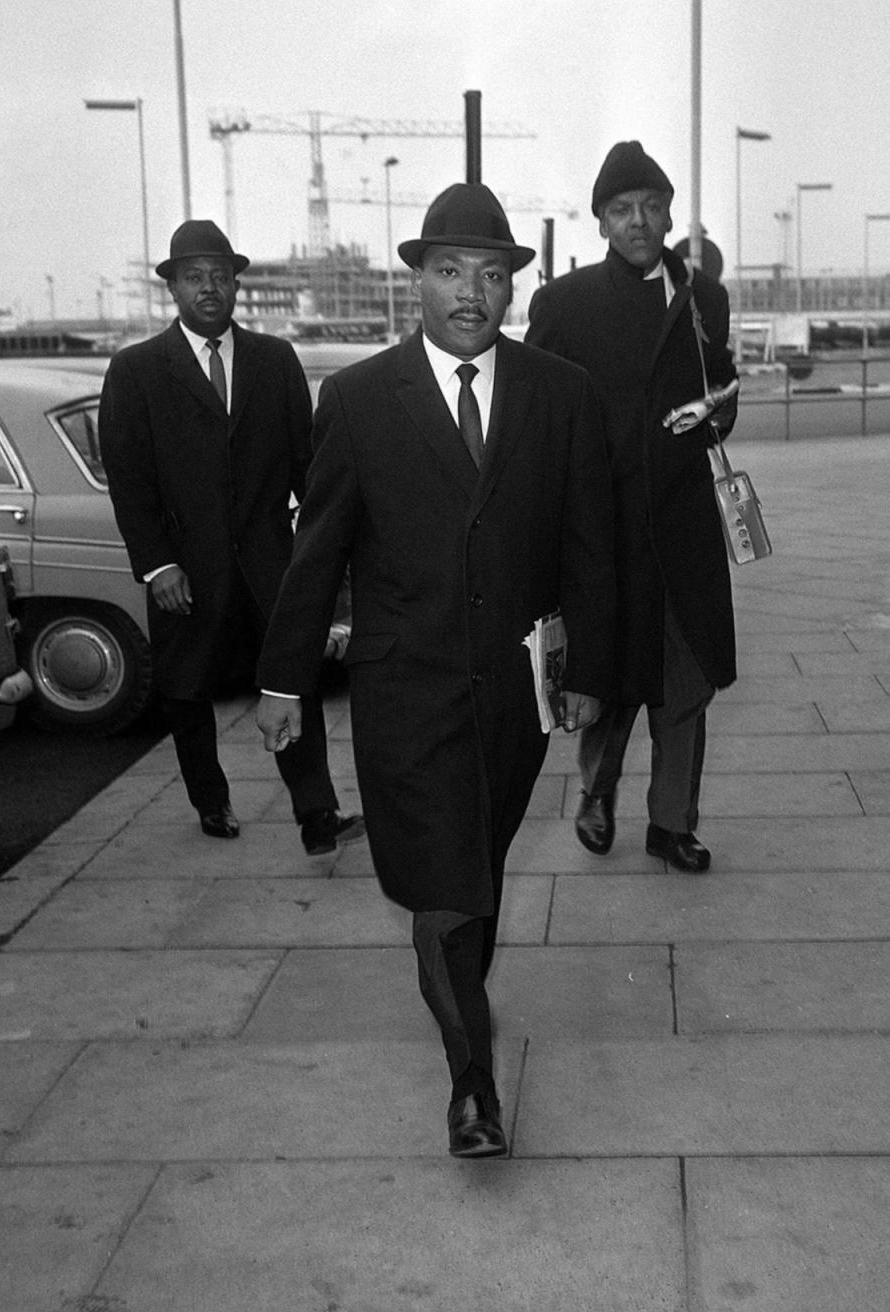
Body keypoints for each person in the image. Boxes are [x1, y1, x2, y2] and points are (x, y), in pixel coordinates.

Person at [255, 184, 615, 1157]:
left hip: (515, 696)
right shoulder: (363, 399)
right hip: (403, 690)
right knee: (444, 878)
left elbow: (590, 548)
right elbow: (319, 549)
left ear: (512, 290)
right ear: (417, 279)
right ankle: (472, 1084)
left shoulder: (560, 394)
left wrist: (594, 672)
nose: (473, 291)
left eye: (492, 274)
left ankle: (464, 1025)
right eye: (452, 271)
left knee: (477, 873)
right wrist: (284, 678)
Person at [99, 219, 363, 854]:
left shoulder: (275, 361)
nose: (209, 289)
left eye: (220, 276)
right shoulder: (135, 371)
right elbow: (129, 481)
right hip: (184, 569)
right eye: (195, 278)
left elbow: (309, 464)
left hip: (270, 561)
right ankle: (210, 801)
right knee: (186, 689)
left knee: (292, 678)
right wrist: (157, 566)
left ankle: (316, 813)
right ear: (173, 289)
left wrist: (325, 551)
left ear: (237, 284)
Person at [526, 140, 738, 874]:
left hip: (683, 527)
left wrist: (711, 418)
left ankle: (672, 824)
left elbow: (727, 385)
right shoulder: (565, 303)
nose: (639, 221)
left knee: (687, 682)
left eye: (651, 206)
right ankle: (596, 792)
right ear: (602, 222)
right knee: (611, 686)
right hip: (606, 532)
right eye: (622, 210)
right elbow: (540, 415)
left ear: (670, 211)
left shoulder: (705, 297)